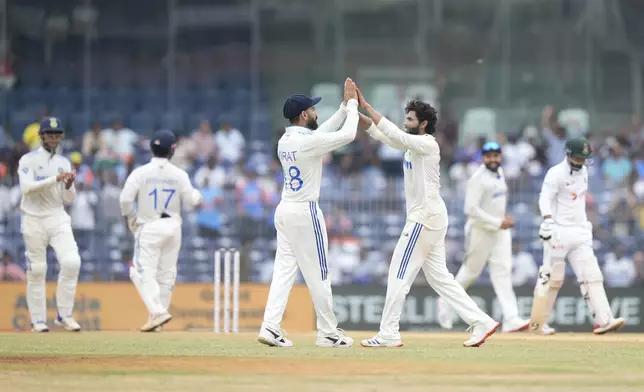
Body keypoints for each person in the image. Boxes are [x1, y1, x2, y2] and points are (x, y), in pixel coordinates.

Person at [356, 89, 499, 348]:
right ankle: (482, 322)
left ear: (423, 124)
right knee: (440, 278)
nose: (405, 122)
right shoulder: (411, 144)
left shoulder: (427, 143)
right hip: (431, 217)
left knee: (398, 273)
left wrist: (367, 104)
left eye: (410, 119)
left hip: (423, 219)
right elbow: (380, 133)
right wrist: (354, 112)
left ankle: (388, 332)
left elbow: (394, 134)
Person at [258, 78, 359, 348]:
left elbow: (318, 136)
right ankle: (327, 332)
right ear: (304, 115)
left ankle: (269, 326)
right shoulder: (306, 142)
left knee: (283, 272)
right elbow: (347, 136)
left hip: (285, 210)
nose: (316, 113)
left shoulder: (285, 140)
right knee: (320, 274)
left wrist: (341, 110)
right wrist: (352, 105)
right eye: (313, 110)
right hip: (305, 211)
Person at [534, 136, 625, 335]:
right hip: (558, 231)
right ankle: (538, 324)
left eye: (583, 158)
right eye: (577, 158)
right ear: (567, 154)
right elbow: (544, 198)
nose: (581, 162)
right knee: (552, 278)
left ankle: (604, 320)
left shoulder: (584, 171)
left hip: (580, 232)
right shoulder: (555, 173)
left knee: (592, 276)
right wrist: (548, 220)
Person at [437, 142, 529, 333]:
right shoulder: (478, 179)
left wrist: (502, 217)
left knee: (502, 273)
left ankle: (511, 317)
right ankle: (444, 301)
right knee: (470, 272)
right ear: (483, 158)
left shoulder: (500, 173)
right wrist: (497, 222)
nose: (493, 159)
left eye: (496, 156)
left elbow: (496, 202)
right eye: (489, 156)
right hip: (480, 231)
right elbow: (470, 209)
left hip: (500, 231)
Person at [119, 130, 203, 332]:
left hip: (149, 226)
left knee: (139, 272)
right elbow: (192, 201)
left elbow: (124, 200)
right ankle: (158, 320)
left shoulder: (140, 172)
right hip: (173, 226)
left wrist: (132, 219)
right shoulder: (179, 174)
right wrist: (198, 195)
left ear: (151, 149)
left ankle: (157, 312)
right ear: (172, 150)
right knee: (166, 275)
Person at [18, 117, 81, 332]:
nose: (53, 138)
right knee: (37, 270)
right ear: (42, 136)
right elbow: (27, 188)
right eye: (49, 134)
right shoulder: (28, 160)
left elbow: (69, 199)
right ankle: (38, 321)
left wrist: (69, 185)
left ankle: (65, 315)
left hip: (57, 216)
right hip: (33, 218)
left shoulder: (64, 162)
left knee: (72, 262)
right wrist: (55, 180)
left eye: (57, 134)